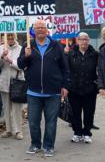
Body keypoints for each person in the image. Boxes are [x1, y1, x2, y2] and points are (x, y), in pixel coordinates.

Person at [17, 20, 70, 157]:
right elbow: (21, 64)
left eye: (42, 27)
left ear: (47, 30)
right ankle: (35, 144)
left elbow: (65, 67)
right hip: (33, 91)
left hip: (53, 91)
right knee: (34, 121)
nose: (40, 29)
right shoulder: (28, 45)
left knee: (51, 122)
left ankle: (48, 146)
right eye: (37, 28)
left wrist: (65, 85)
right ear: (33, 30)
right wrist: (26, 56)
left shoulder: (56, 45)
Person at [64, 32, 98, 143]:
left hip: (90, 88)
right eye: (82, 39)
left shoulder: (95, 54)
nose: (84, 41)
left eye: (86, 39)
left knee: (89, 112)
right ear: (77, 41)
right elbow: (66, 70)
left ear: (89, 41)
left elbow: (100, 70)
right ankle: (77, 132)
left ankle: (87, 132)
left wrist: (98, 85)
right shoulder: (71, 53)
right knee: (75, 112)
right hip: (74, 88)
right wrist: (66, 85)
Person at [0, 33, 24, 140]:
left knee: (17, 108)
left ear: (15, 38)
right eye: (8, 37)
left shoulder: (21, 49)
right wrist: (2, 57)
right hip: (4, 82)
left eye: (12, 37)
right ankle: (8, 130)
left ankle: (18, 131)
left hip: (16, 82)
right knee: (6, 107)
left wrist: (11, 61)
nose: (10, 39)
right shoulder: (0, 48)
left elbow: (22, 66)